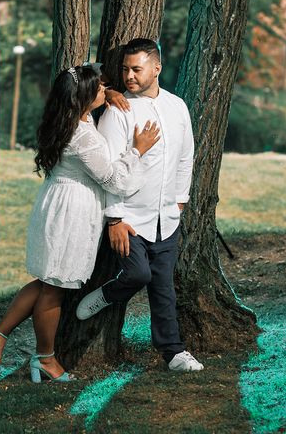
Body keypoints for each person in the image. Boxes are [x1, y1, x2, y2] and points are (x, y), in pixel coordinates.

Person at [0, 64, 161, 382]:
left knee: (49, 281)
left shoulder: (73, 118)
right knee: (55, 290)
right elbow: (114, 180)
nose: (106, 88)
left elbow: (92, 97)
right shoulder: (81, 135)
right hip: (72, 213)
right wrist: (137, 152)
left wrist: (108, 95)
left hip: (58, 204)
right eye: (100, 87)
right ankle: (45, 358)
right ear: (84, 97)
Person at [76, 38, 204, 372]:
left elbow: (186, 156)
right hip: (129, 217)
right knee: (138, 273)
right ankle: (107, 294)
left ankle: (174, 352)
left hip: (167, 216)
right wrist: (115, 218)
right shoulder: (119, 112)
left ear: (156, 68)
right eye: (125, 69)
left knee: (164, 287)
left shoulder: (178, 107)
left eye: (137, 68)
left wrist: (180, 200)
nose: (129, 75)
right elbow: (108, 170)